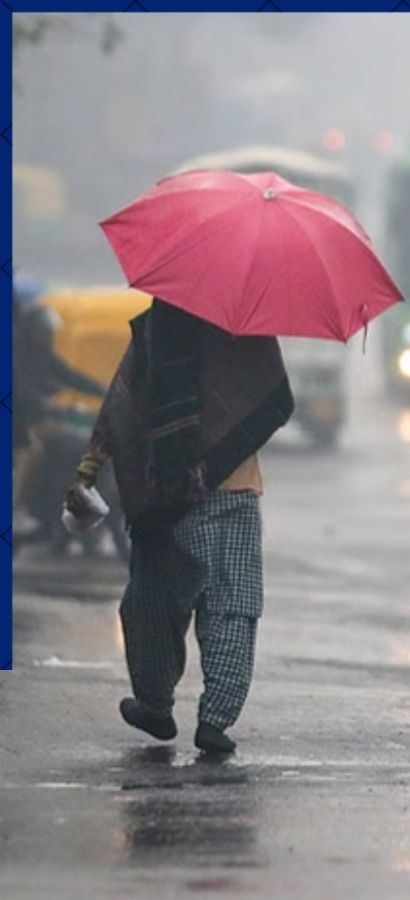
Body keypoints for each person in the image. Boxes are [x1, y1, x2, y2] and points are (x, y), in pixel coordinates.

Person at [66, 299, 294, 754]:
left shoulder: (156, 326)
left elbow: (121, 405)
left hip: (161, 496)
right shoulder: (249, 327)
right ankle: (215, 720)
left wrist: (89, 469)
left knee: (152, 603)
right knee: (232, 605)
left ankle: (153, 704)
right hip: (234, 489)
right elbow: (273, 400)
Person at [12, 296, 106, 533]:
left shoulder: (43, 355)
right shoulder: (17, 358)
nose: (47, 336)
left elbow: (70, 375)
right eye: (43, 332)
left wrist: (103, 390)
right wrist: (51, 407)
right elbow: (22, 394)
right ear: (32, 332)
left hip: (42, 418)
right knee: (33, 451)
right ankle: (16, 508)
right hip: (24, 421)